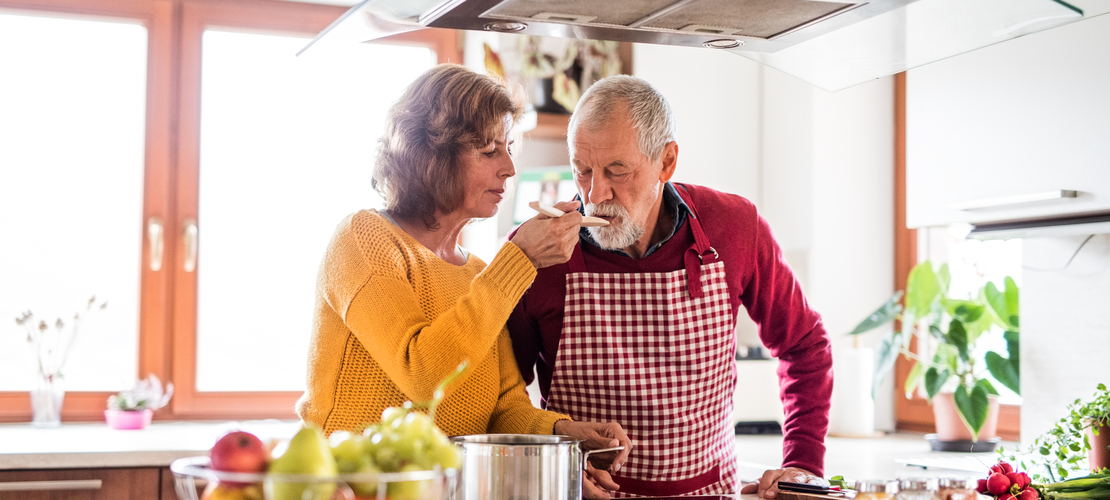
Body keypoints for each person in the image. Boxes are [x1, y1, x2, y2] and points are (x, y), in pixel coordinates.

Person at [294, 64, 631, 499]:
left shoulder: (477, 274)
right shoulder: (364, 240)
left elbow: (505, 409)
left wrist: (567, 437)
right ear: (429, 155)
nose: (509, 167)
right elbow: (424, 373)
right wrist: (520, 259)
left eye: (508, 147)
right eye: (490, 150)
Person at [507, 75, 834, 498]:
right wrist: (553, 466)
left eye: (616, 171)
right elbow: (505, 397)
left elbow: (805, 345)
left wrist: (804, 463)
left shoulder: (734, 226)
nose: (594, 193)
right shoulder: (536, 252)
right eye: (581, 170)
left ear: (666, 162)